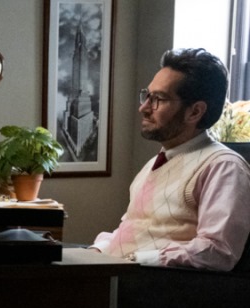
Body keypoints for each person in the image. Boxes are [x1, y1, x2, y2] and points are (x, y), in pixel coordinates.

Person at [91, 48, 250, 271]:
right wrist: (97, 251)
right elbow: (133, 228)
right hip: (112, 275)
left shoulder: (224, 167)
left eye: (158, 99)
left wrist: (136, 260)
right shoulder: (155, 163)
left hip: (148, 284)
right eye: (147, 95)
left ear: (195, 112)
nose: (144, 108)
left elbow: (217, 250)